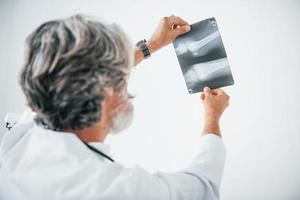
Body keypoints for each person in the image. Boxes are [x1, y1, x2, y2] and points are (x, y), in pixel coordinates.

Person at [0, 14, 230, 200]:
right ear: (104, 92)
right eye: (121, 80)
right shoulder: (116, 190)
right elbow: (202, 188)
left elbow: (73, 74)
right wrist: (212, 116)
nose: (127, 91)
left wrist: (151, 45)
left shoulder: (23, 135)